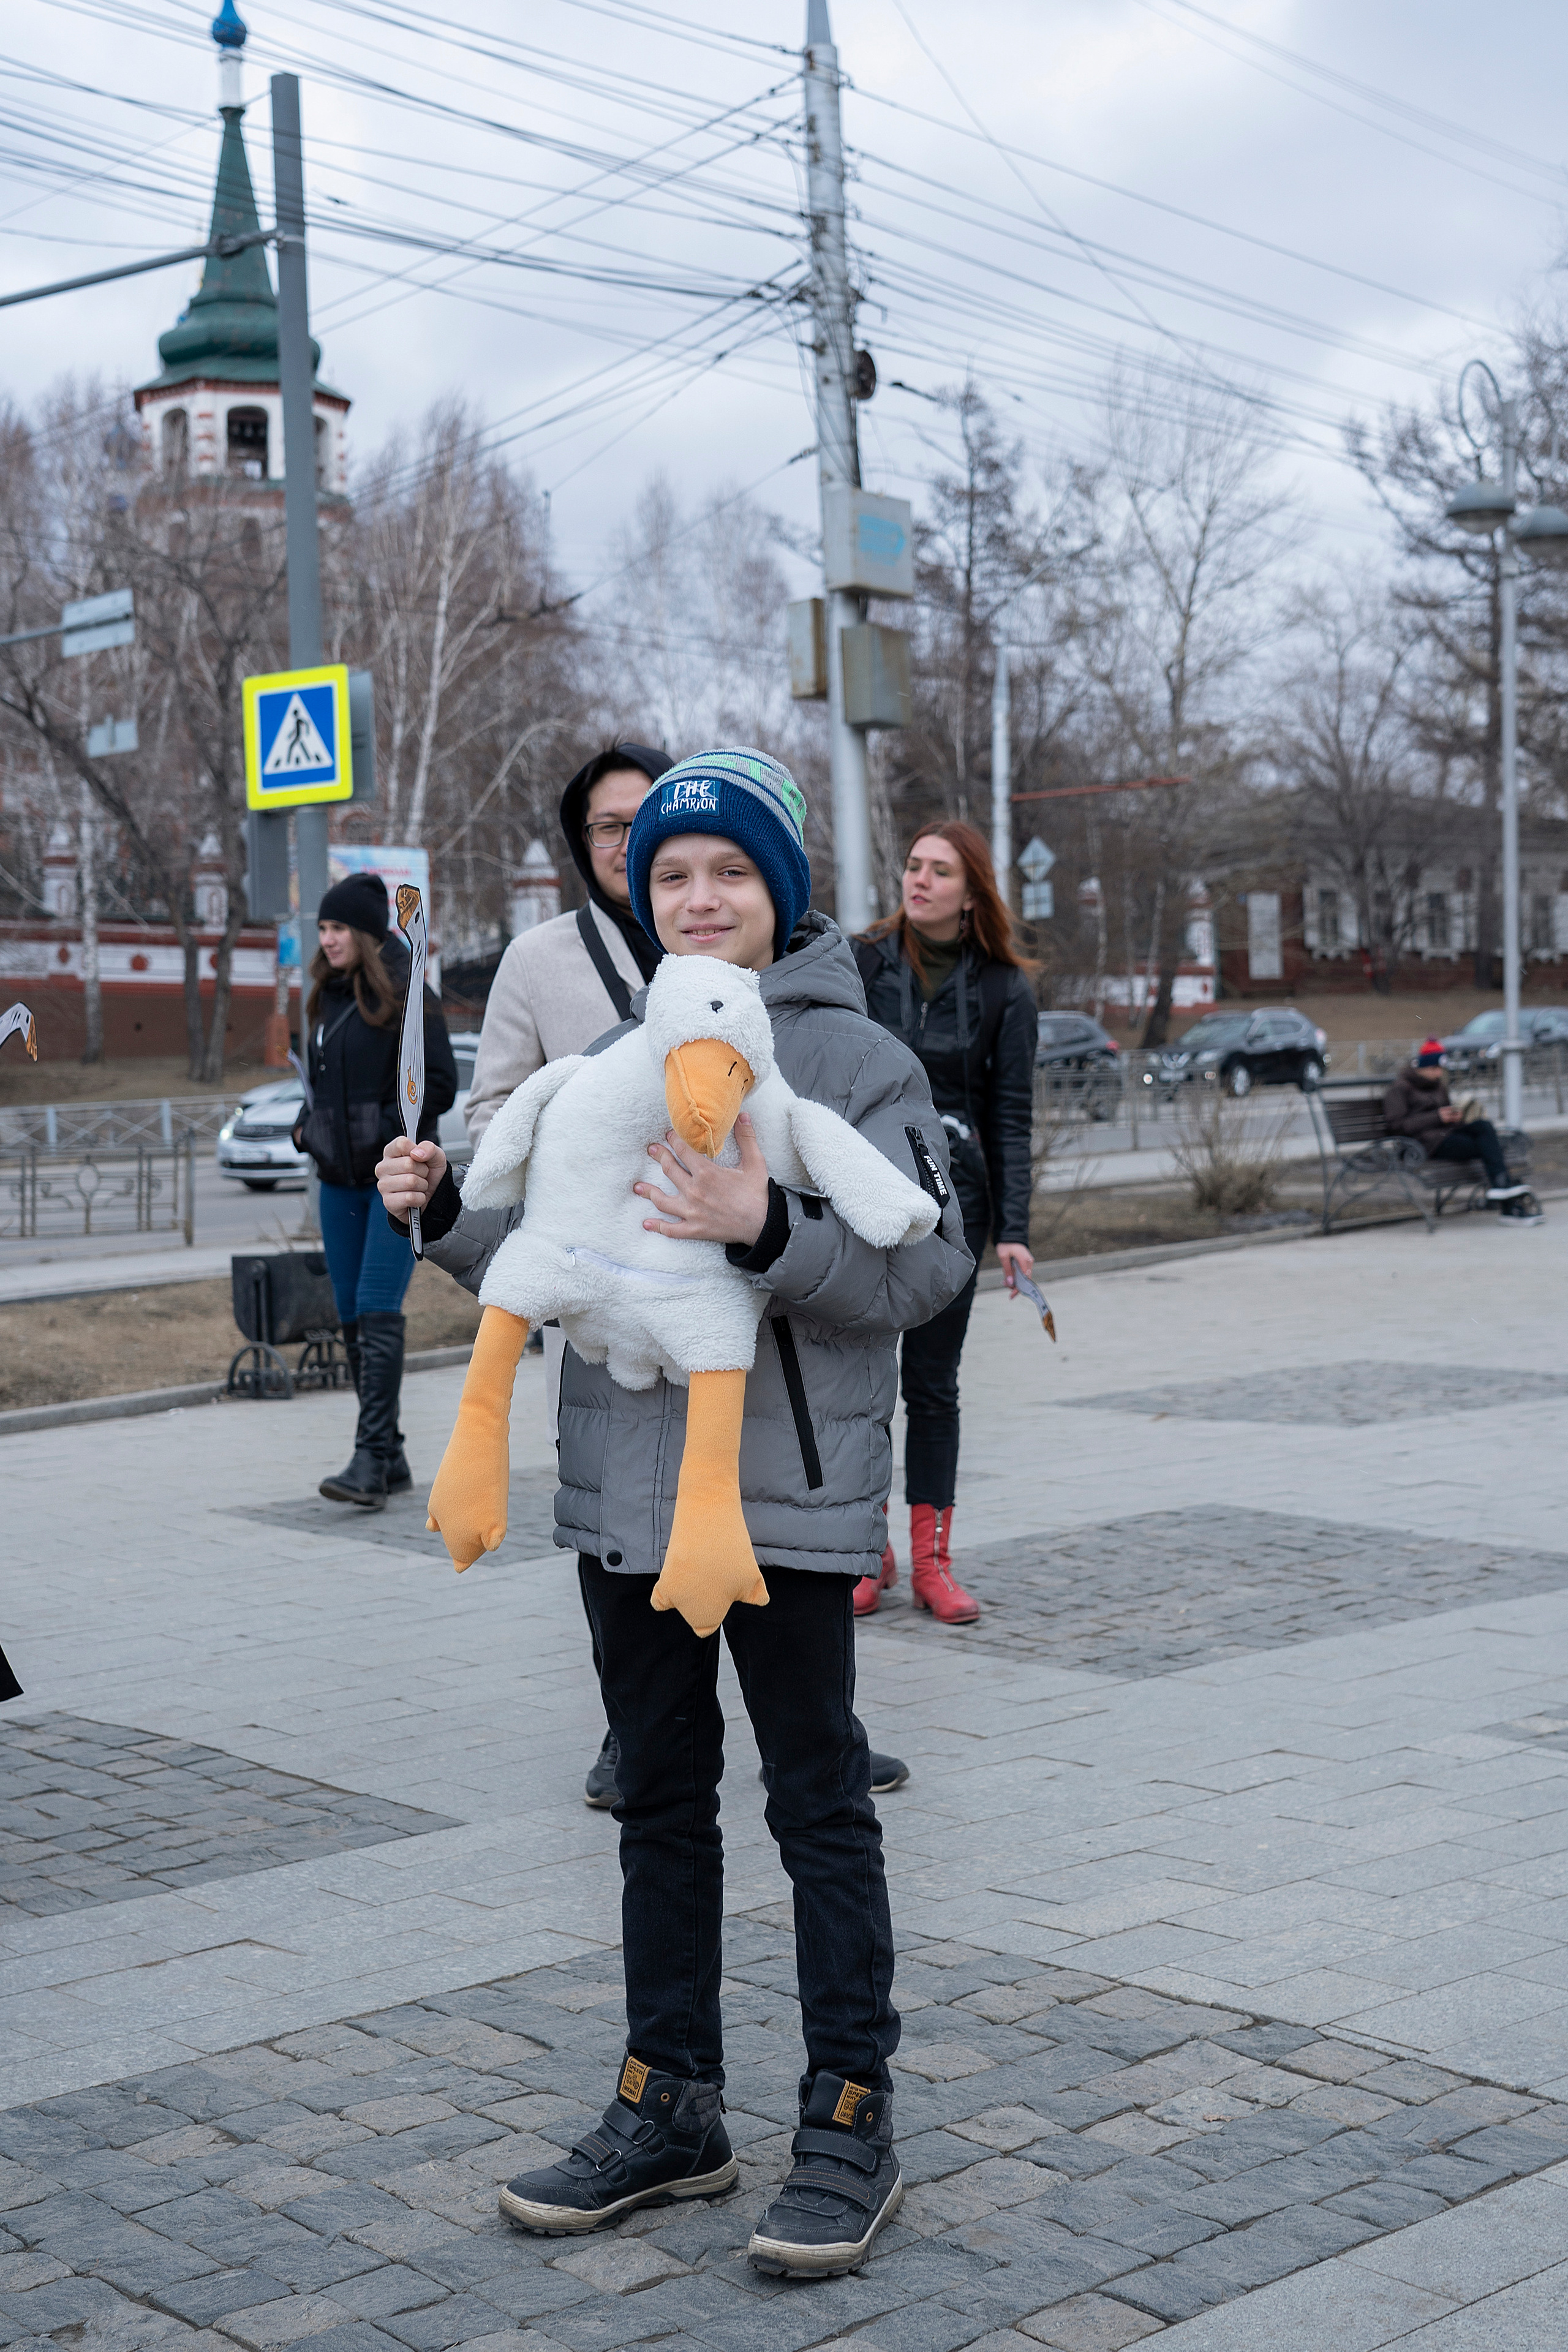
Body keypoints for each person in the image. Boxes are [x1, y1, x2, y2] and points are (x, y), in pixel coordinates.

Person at [376, 748, 973, 2278]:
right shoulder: (618, 1050)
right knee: (654, 1804)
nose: (696, 900)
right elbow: (544, 1242)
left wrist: (764, 1223)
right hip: (622, 1501)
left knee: (818, 1807)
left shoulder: (851, 1060)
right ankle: (670, 2104)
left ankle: (847, 2115)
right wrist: (439, 1208)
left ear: (778, 889)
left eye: (726, 873)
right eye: (666, 876)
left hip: (786, 1501)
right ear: (636, 897)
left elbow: (924, 1268)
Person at [466, 743, 670, 1807]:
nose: (628, 841)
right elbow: (488, 1112)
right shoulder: (539, 960)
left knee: (759, 1499)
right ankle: (628, 1732)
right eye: (606, 825)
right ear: (580, 841)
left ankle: (811, 1728)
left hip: (725, 1275)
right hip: (595, 1291)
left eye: (647, 817)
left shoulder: (735, 937)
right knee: (612, 1516)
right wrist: (577, 1138)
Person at [853, 821, 1038, 1626]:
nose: (919, 880)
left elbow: (1012, 1117)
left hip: (954, 1217)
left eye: (940, 871)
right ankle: (866, 1552)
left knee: (933, 1387)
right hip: (858, 1203)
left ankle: (932, 1561)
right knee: (858, 1385)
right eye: (913, 866)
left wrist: (1016, 1229)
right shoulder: (860, 962)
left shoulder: (1005, 989)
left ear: (971, 895)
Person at [296, 871, 457, 1509]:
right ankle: (388, 1456)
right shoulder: (326, 997)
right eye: (323, 929)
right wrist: (308, 1124)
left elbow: (438, 1082)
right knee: (348, 1314)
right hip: (336, 1182)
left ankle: (368, 1458)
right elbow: (320, 1081)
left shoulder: (411, 988)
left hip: (395, 1182)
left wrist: (391, 1131)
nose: (327, 940)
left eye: (337, 929)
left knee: (375, 1305)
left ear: (364, 934)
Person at [1384, 1039, 1533, 1213]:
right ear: (1421, 1067)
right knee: (1490, 1146)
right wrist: (1437, 1117)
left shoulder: (1437, 1086)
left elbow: (1444, 1115)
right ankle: (1505, 1192)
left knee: (1484, 1127)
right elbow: (1396, 1126)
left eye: (1440, 1069)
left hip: (1446, 1135)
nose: (1439, 1073)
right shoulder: (1400, 1089)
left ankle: (1501, 1187)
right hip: (1425, 1144)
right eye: (1434, 1068)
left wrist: (1455, 1117)